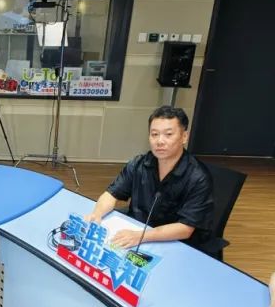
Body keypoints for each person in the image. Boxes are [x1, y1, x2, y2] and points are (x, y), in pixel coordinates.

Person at [86, 105, 214, 250]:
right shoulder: (139, 164)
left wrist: (140, 236)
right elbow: (112, 193)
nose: (160, 141)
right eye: (154, 134)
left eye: (168, 134)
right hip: (137, 231)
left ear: (184, 137)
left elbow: (185, 228)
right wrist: (97, 214)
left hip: (174, 243)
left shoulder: (198, 177)